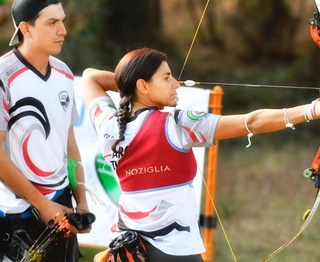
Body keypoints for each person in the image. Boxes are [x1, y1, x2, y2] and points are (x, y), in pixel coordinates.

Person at [82, 47, 320, 262]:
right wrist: (311, 110)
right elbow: (252, 122)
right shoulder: (177, 124)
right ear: (143, 85)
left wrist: (129, 86)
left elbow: (91, 76)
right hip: (175, 253)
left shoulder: (108, 124)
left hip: (128, 249)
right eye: (166, 78)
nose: (176, 83)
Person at [0, 0, 91, 262]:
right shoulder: (4, 76)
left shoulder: (64, 73)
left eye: (62, 21)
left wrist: (81, 200)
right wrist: (41, 204)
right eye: (52, 23)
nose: (62, 30)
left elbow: (69, 143)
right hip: (17, 213)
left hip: (61, 204)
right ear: (26, 29)